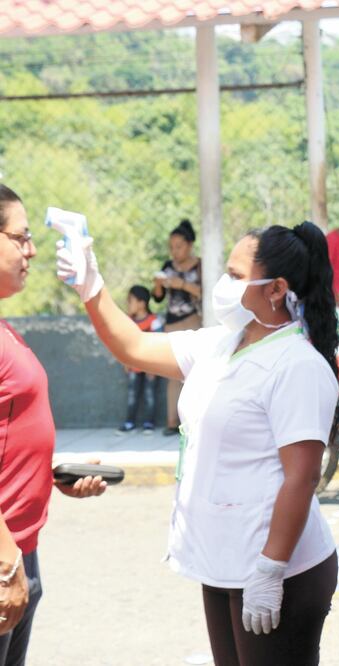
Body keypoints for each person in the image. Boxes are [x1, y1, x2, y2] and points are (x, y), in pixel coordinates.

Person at [57, 220, 339, 666]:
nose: (223, 285)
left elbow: (301, 478)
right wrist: (91, 284)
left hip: (276, 568)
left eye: (236, 275)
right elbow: (132, 346)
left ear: (276, 288)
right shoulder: (221, 345)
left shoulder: (297, 365)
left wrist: (270, 569)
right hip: (223, 558)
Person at [0, 186, 106, 666]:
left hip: (21, 547)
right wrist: (5, 565)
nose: (33, 250)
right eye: (20, 237)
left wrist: (49, 474)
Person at [152, 219, 202, 436]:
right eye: (171, 247)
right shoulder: (168, 267)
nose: (174, 251)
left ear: (190, 245)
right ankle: (172, 422)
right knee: (173, 373)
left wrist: (181, 284)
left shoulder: (201, 265)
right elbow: (157, 298)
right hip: (172, 322)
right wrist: (158, 285)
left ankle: (198, 418)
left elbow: (204, 291)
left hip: (194, 321)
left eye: (179, 246)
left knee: (197, 371)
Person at [117, 285, 162, 434]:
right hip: (133, 366)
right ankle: (129, 422)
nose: (128, 304)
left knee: (150, 395)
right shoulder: (127, 321)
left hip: (150, 365)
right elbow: (124, 342)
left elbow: (158, 343)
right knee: (132, 394)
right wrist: (125, 361)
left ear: (142, 303)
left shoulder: (154, 321)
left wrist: (155, 365)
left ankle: (149, 423)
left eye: (130, 300)